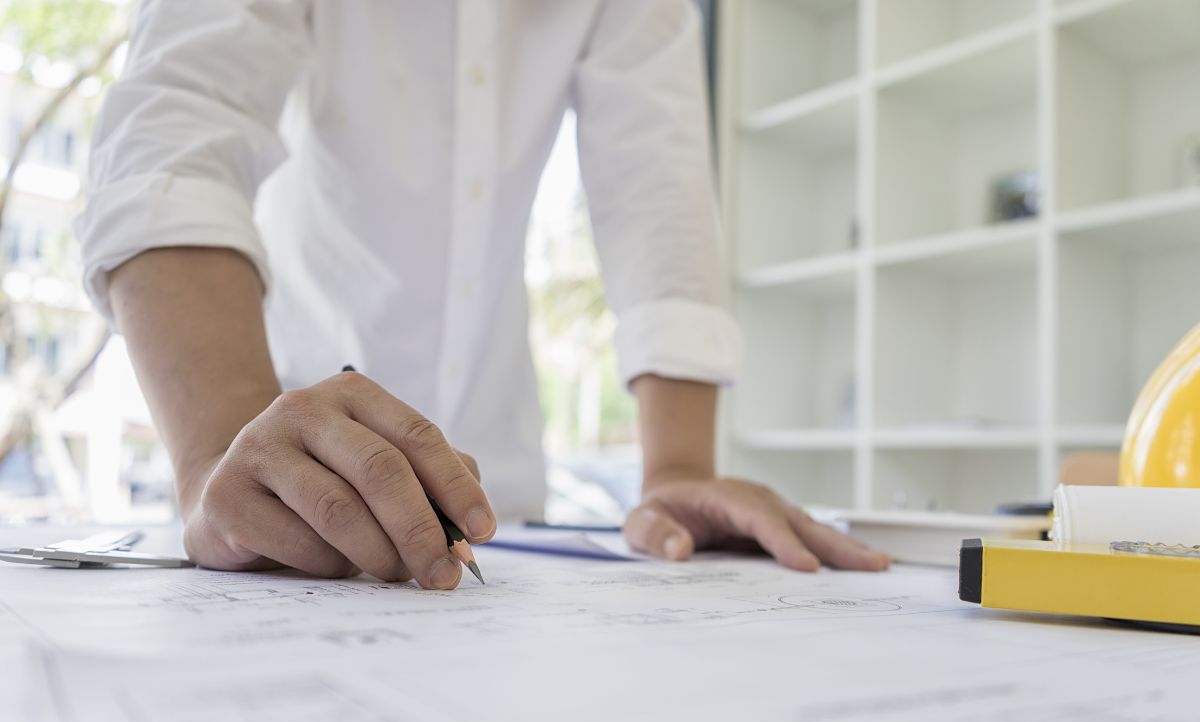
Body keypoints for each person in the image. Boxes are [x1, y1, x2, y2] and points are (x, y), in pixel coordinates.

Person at [78, 0, 889, 589]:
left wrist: (677, 468)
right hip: (277, 468)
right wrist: (219, 455)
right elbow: (172, 136)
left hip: (502, 504)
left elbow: (658, 184)